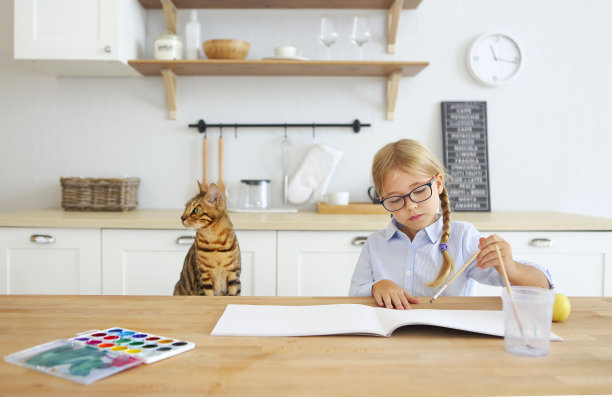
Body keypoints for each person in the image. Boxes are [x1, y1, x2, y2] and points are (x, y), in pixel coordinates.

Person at [349, 139, 552, 309]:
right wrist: (377, 286)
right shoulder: (375, 245)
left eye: (419, 191)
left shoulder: (462, 237)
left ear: (438, 183)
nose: (410, 206)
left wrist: (511, 267)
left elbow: (542, 286)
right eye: (395, 200)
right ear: (382, 199)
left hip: (449, 344)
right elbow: (354, 297)